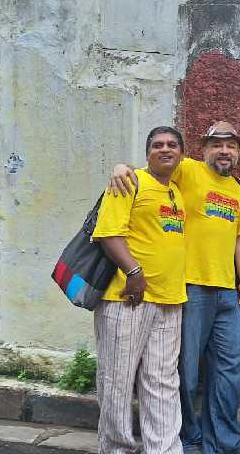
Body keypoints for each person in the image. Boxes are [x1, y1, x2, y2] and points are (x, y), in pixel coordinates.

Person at [109, 122, 240, 454]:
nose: (223, 151)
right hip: (191, 288)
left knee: (231, 369)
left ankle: (224, 443)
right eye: (217, 145)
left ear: (238, 152)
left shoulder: (239, 188)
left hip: (225, 292)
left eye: (230, 146)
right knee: (186, 374)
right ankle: (189, 439)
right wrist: (121, 168)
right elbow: (149, 169)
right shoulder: (187, 170)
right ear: (203, 149)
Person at [92, 126, 187, 454]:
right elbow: (107, 234)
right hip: (128, 298)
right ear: (147, 154)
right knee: (117, 382)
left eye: (172, 145)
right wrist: (133, 272)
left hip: (170, 299)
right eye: (157, 145)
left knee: (162, 382)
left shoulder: (176, 189)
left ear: (181, 154)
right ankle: (116, 449)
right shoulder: (129, 182)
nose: (165, 149)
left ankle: (164, 448)